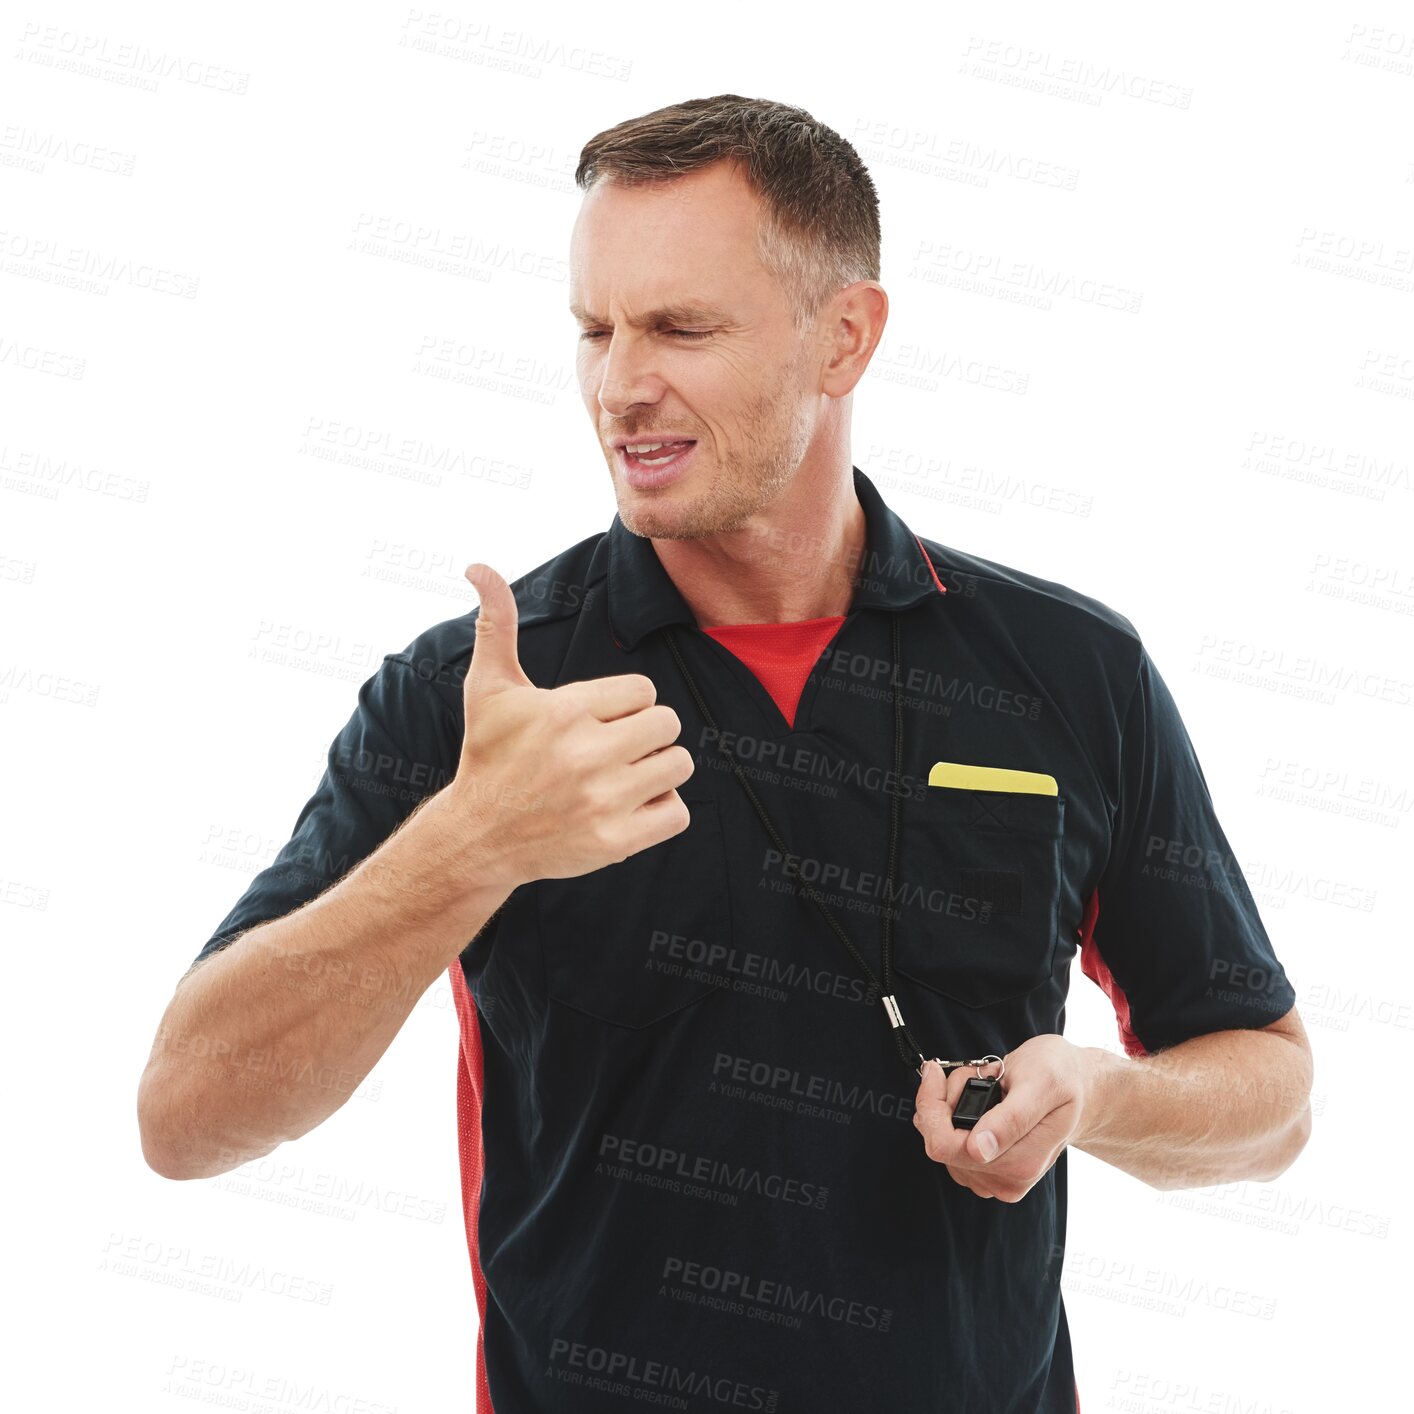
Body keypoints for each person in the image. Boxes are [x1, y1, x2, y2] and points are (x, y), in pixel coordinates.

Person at [138, 95, 1312, 1413]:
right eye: (596, 330)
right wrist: (471, 843)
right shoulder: (482, 693)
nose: (620, 382)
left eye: (680, 327)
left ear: (844, 337)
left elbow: (1268, 1089)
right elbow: (187, 1116)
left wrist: (1091, 1094)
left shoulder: (1067, 671)